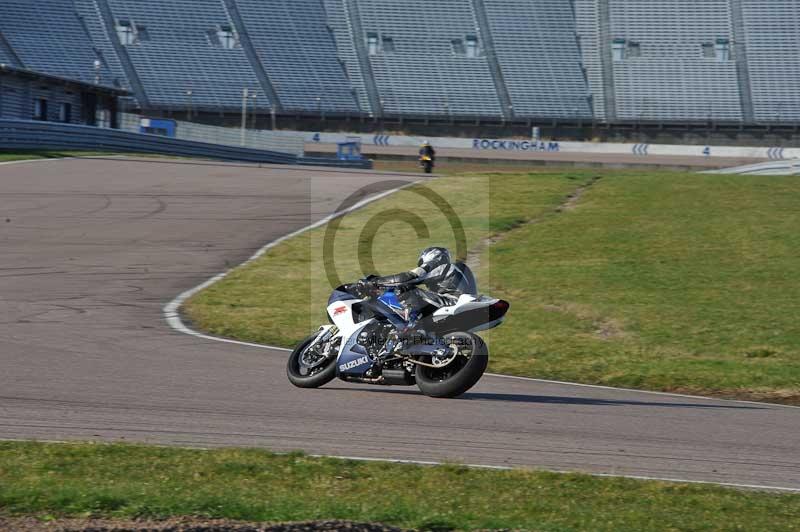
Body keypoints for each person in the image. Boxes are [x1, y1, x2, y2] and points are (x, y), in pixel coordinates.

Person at [360, 247, 476, 304]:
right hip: (461, 303)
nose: (422, 265)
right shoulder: (459, 269)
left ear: (431, 256)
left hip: (451, 302)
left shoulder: (441, 266)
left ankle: (408, 326)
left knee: (407, 290)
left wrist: (376, 281)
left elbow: (409, 277)